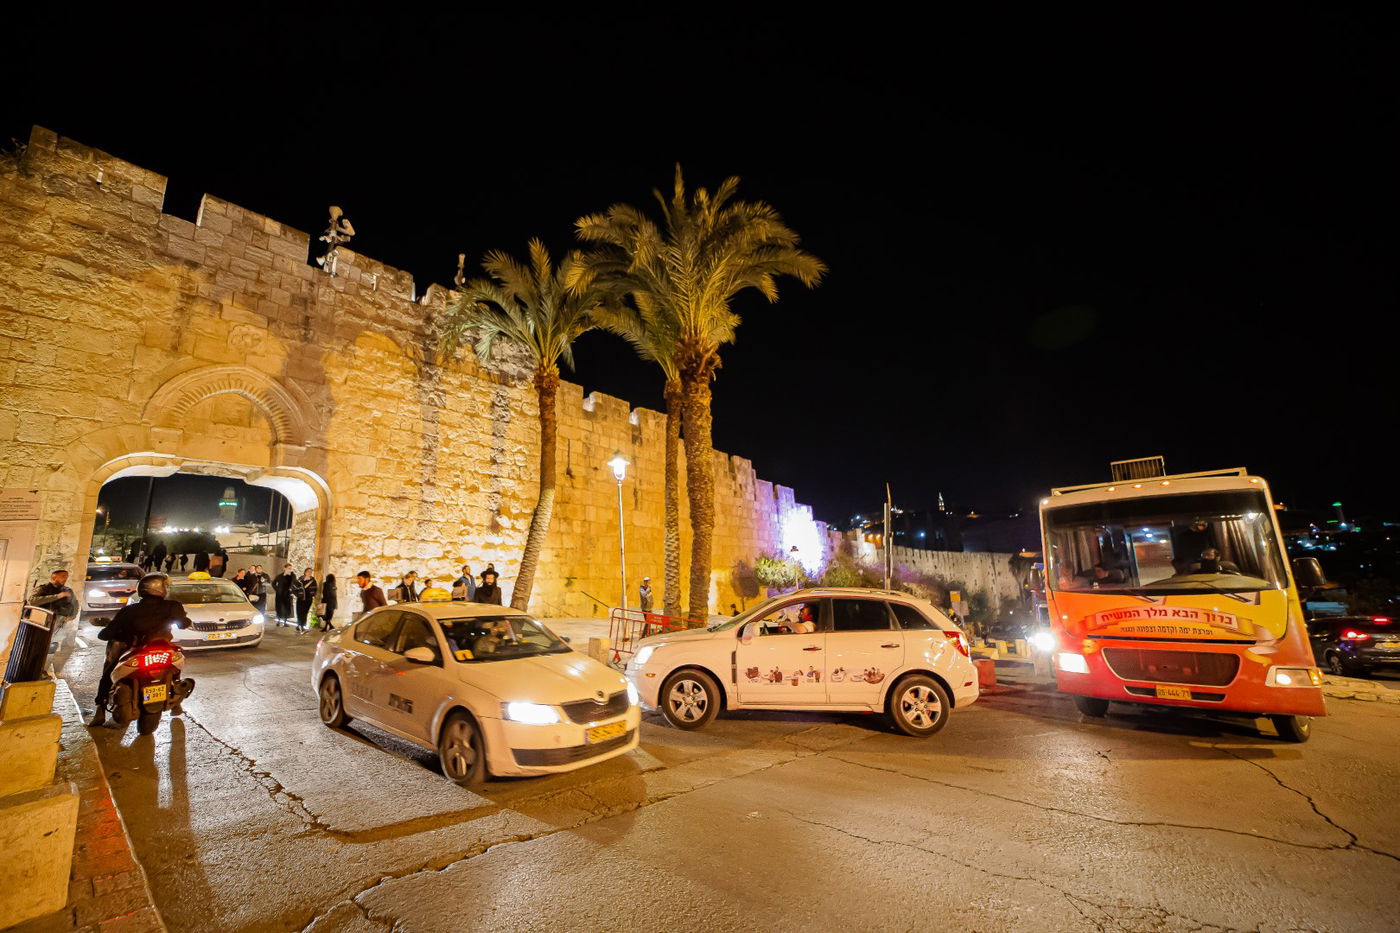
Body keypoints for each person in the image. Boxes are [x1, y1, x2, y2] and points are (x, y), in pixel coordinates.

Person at [91, 572, 191, 726]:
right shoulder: (172, 606)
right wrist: (183, 620)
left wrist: (107, 632)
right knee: (176, 665)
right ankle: (176, 699)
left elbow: (106, 634)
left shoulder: (130, 610)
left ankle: (100, 708)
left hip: (135, 649)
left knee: (109, 673)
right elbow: (183, 623)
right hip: (162, 648)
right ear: (160, 588)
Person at [295, 567, 316, 633]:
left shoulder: (313, 580)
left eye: (311, 572)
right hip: (301, 598)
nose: (310, 573)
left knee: (305, 612)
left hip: (308, 599)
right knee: (299, 612)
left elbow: (315, 589)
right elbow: (295, 588)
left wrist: (313, 595)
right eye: (308, 571)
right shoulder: (300, 579)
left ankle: (302, 625)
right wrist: (298, 594)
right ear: (305, 572)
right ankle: (299, 624)